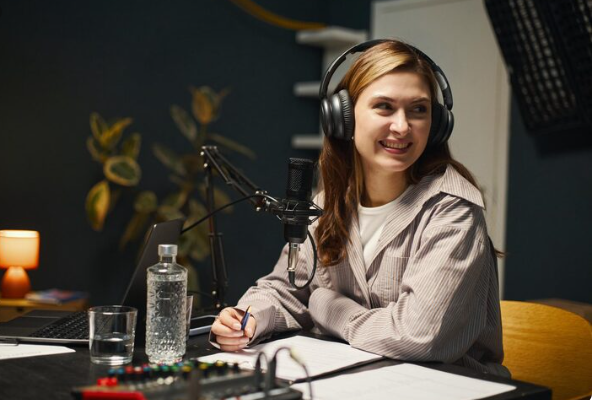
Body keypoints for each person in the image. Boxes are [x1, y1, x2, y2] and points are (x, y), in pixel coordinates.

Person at [210, 39, 509, 377]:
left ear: (436, 123)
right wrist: (247, 317)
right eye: (384, 107)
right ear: (344, 118)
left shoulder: (453, 210)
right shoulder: (327, 204)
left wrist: (328, 307)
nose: (402, 126)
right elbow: (286, 289)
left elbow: (418, 336)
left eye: (418, 109)